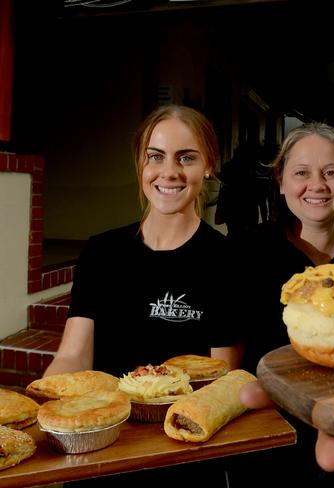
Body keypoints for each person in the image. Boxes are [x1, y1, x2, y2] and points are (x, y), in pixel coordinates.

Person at [230, 122, 334, 487]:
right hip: (269, 444)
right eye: (302, 173)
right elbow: (230, 364)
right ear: (281, 181)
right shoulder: (244, 251)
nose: (317, 185)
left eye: (331, 172)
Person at [45, 104, 245, 379]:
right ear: (140, 163)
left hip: (181, 419)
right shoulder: (101, 252)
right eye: (155, 157)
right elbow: (73, 356)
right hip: (107, 416)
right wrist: (50, 396)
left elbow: (222, 378)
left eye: (186, 158)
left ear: (208, 165)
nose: (169, 172)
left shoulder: (228, 260)